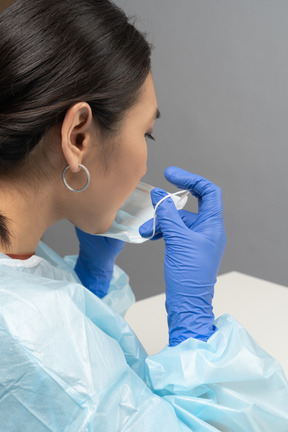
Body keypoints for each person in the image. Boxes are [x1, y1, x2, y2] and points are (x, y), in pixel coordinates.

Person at [0, 0, 287, 430]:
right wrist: (196, 331)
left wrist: (91, 281)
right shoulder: (32, 335)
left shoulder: (20, 261)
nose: (145, 161)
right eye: (146, 132)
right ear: (78, 136)